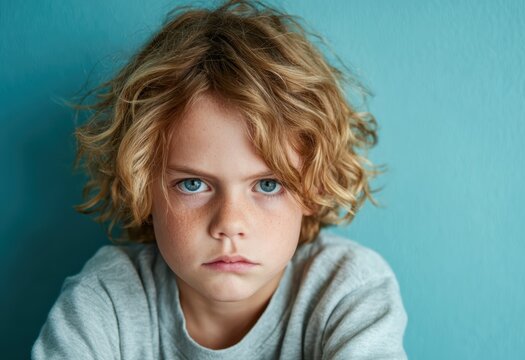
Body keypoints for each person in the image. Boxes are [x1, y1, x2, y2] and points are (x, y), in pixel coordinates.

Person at [32, 0, 407, 358]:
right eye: (193, 184)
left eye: (268, 184)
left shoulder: (347, 289)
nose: (230, 224)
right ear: (143, 186)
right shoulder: (107, 298)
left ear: (315, 186)